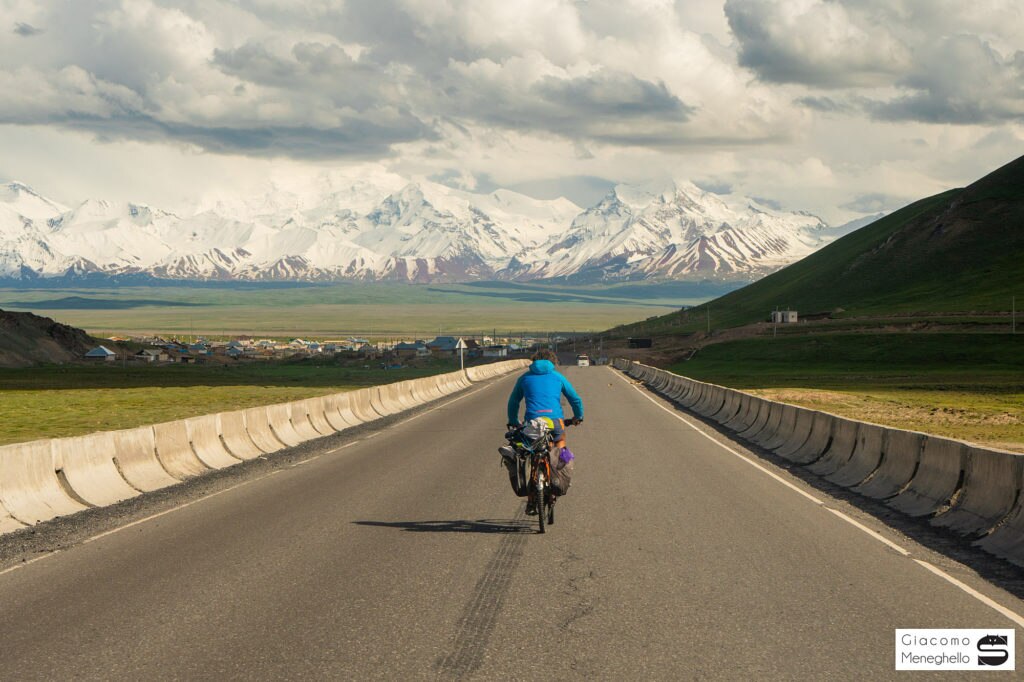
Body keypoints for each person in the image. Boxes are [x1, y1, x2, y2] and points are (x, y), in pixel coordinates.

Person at [502, 349, 584, 513]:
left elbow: (513, 402)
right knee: (560, 445)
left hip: (532, 422)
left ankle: (532, 497)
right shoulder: (558, 377)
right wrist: (578, 416)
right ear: (553, 363)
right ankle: (560, 473)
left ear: (533, 362)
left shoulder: (524, 378)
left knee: (529, 449)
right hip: (554, 421)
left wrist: (512, 420)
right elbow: (575, 399)